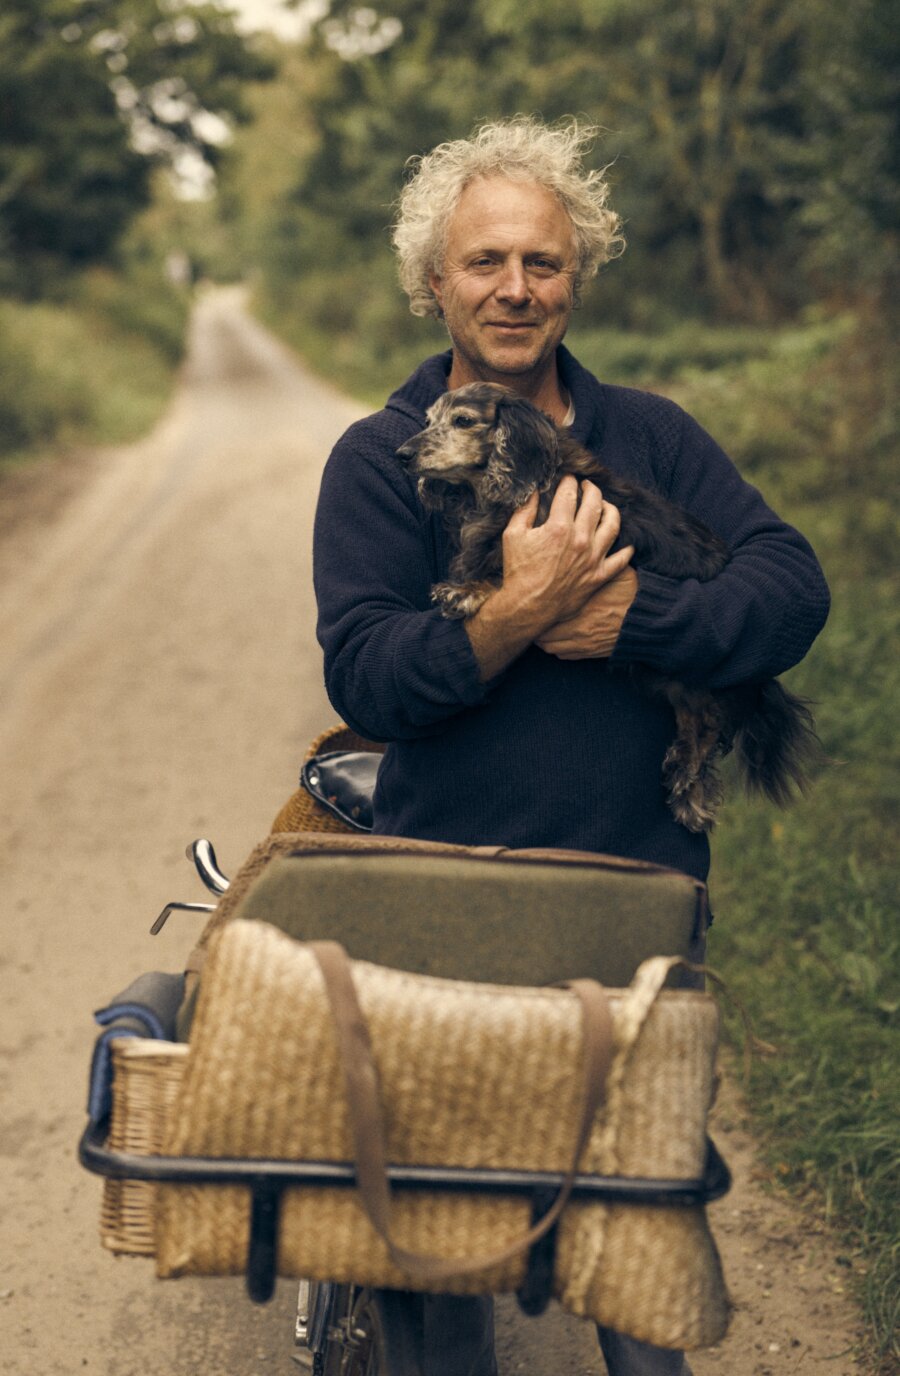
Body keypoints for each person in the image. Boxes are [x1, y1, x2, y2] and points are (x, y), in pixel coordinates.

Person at [312, 116, 830, 1376]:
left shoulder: (652, 433)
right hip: (450, 899)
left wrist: (634, 616)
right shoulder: (379, 462)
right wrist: (517, 612)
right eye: (484, 261)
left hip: (636, 896)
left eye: (542, 262)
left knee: (637, 1232)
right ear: (434, 282)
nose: (514, 288)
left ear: (576, 277)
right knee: (442, 1237)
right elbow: (372, 674)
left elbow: (791, 589)